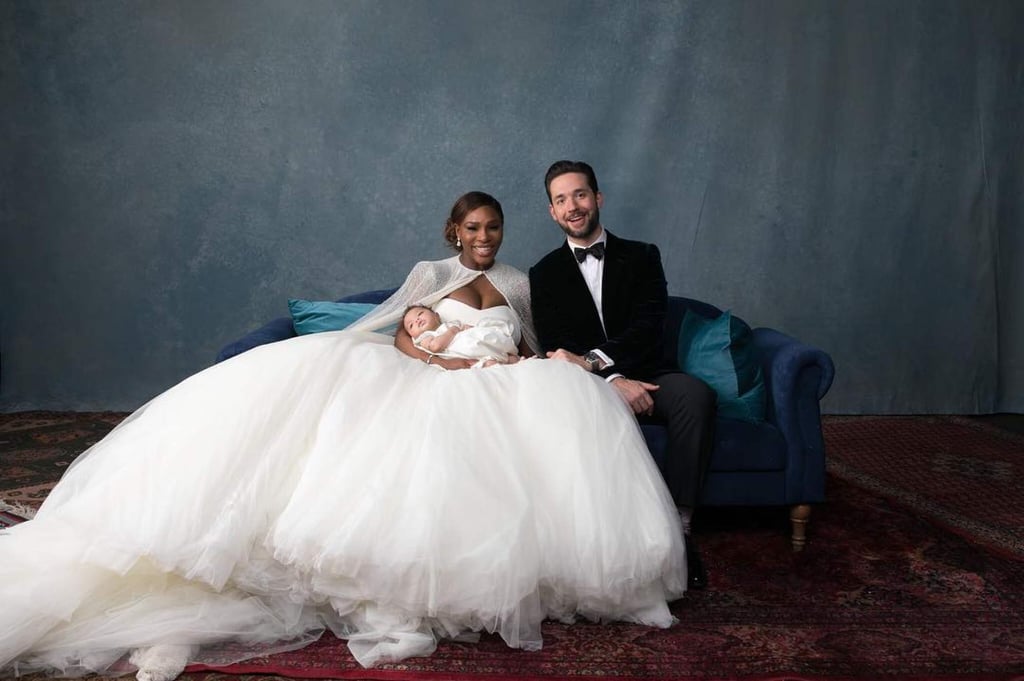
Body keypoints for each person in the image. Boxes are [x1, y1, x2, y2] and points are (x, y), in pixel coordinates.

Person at [0, 191, 687, 681]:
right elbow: (405, 341)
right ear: (455, 231)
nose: (485, 238)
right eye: (474, 228)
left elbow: (531, 342)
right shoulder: (433, 275)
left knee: (554, 409)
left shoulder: (518, 280)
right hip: (438, 375)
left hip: (497, 380)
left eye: (494, 229)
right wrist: (444, 359)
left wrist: (533, 364)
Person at [529, 161, 717, 589]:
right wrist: (613, 382)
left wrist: (603, 365)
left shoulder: (643, 255)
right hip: (586, 387)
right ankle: (594, 540)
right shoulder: (543, 273)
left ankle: (681, 522)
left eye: (579, 194)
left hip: (650, 372)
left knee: (696, 396)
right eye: (561, 199)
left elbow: (648, 326)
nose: (572, 206)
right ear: (552, 212)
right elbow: (558, 341)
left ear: (598, 198)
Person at [402, 304, 521, 367]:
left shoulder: (452, 323)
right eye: (411, 325)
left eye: (420, 314)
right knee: (488, 363)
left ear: (436, 315)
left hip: (472, 342)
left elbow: (468, 328)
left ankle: (510, 358)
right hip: (463, 353)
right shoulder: (426, 337)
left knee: (486, 335)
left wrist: (471, 329)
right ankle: (500, 362)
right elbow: (435, 346)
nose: (417, 321)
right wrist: (453, 331)